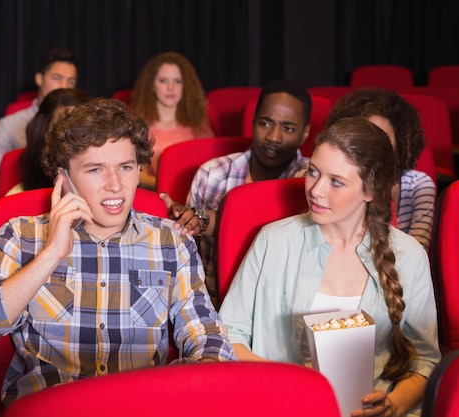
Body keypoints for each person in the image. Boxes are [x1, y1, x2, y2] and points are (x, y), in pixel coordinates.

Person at [0, 98, 235, 404]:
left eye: (125, 167)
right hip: (52, 408)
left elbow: (205, 332)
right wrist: (50, 255)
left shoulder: (171, 242)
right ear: (64, 178)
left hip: (139, 406)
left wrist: (206, 372)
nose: (115, 185)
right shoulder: (21, 236)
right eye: (96, 169)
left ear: (140, 170)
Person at [219, 118, 440, 416]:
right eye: (313, 172)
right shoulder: (273, 240)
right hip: (280, 404)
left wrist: (395, 404)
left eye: (336, 181)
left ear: (370, 191)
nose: (316, 190)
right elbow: (228, 336)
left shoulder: (409, 256)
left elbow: (425, 361)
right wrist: (292, 382)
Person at [161, 79, 312, 301]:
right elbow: (191, 259)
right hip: (215, 301)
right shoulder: (212, 174)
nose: (273, 137)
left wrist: (205, 218)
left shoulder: (312, 180)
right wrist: (179, 222)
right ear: (253, 122)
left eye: (288, 128)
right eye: (265, 123)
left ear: (305, 133)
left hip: (286, 302)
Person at [325, 87, 436, 251]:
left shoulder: (419, 185)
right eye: (364, 136)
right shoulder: (332, 179)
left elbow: (418, 250)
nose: (373, 146)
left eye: (383, 137)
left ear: (399, 141)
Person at [0, 48, 79, 195]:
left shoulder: (81, 122)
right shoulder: (9, 125)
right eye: (56, 78)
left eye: (71, 81)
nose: (64, 86)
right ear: (39, 79)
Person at [131, 51, 214, 190]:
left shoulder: (199, 125)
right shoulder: (137, 126)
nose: (171, 87)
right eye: (163, 81)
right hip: (156, 197)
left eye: (177, 81)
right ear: (151, 85)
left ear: (185, 86)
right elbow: (137, 177)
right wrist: (171, 188)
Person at [5, 87, 91, 196]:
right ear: (45, 134)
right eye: (63, 130)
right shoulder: (17, 199)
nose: (75, 139)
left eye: (82, 129)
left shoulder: (111, 190)